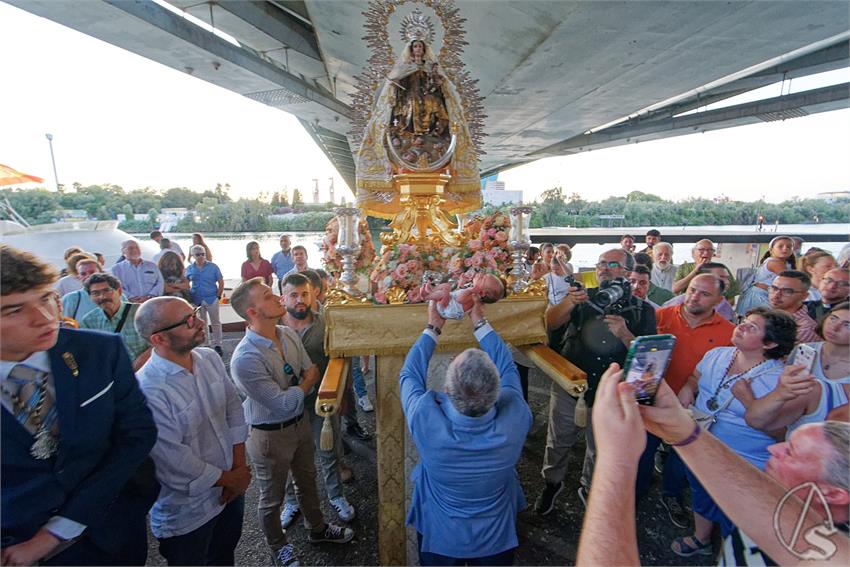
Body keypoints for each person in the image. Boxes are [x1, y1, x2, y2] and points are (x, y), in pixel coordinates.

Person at [576, 363, 849, 566]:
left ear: (833, 494)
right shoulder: (817, 526)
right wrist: (682, 431)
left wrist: (616, 459)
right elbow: (784, 518)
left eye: (791, 452)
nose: (773, 448)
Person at [0, 245, 157, 566]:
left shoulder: (99, 351)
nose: (44, 318)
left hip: (112, 531)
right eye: (14, 310)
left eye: (46, 298)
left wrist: (58, 530)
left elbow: (136, 435)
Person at [229, 278, 354, 566]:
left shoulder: (285, 334)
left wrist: (302, 383)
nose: (277, 298)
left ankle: (318, 528)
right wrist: (306, 383)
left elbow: (307, 371)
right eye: (267, 295)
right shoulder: (245, 358)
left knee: (307, 481)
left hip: (298, 424)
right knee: (271, 498)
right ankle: (278, 547)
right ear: (252, 312)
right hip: (270, 435)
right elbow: (286, 401)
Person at [402, 296, 532, 565]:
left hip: (440, 532)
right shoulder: (516, 417)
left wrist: (433, 327)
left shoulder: (425, 417)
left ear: (446, 391)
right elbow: (508, 366)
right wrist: (479, 321)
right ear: (497, 392)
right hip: (495, 535)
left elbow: (409, 375)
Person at [535, 248, 656, 515]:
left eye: (611, 264)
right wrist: (569, 302)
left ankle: (589, 488)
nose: (603, 268)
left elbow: (648, 360)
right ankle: (551, 483)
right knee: (558, 440)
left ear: (626, 272)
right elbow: (550, 323)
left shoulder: (643, 310)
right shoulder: (583, 298)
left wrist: (625, 334)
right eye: (600, 263)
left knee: (600, 447)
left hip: (610, 394)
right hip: (571, 386)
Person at [671, 307, 796, 557]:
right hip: (702, 446)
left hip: (746, 463)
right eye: (743, 321)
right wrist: (688, 387)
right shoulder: (718, 354)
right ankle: (702, 538)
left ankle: (731, 557)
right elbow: (696, 376)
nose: (740, 327)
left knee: (740, 518)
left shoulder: (781, 380)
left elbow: (783, 435)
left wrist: (750, 402)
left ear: (770, 343)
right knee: (701, 495)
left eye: (752, 327)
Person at [135, 297, 250, 566]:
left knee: (224, 556)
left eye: (195, 313)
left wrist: (240, 468)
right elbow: (174, 462)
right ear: (159, 339)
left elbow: (233, 409)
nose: (200, 322)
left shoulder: (207, 358)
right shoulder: (150, 390)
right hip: (188, 512)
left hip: (230, 490)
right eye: (188, 321)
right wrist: (230, 479)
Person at [638, 273, 735, 528]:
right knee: (642, 450)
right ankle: (634, 492)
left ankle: (672, 495)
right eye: (692, 289)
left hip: (692, 407)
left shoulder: (728, 332)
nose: (695, 296)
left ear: (719, 300)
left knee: (681, 456)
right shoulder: (660, 317)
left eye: (704, 293)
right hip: (651, 399)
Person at [277, 273, 356, 530]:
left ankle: (336, 495)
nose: (300, 301)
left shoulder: (326, 324)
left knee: (328, 450)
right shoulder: (275, 327)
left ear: (314, 295)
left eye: (305, 295)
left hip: (322, 399)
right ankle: (291, 501)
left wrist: (342, 394)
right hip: (287, 402)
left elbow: (341, 357)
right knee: (290, 455)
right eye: (294, 295)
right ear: (283, 297)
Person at [745, 302, 850, 434]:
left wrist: (747, 399)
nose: (834, 327)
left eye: (847, 325)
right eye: (833, 318)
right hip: (792, 430)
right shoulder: (805, 350)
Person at [79, 273, 152, 371]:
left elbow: (157, 345)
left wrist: (132, 371)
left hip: (147, 373)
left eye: (107, 291)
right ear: (90, 296)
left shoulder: (142, 312)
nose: (102, 297)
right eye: (95, 293)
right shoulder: (89, 321)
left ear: (119, 291)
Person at [736, 235, 795, 316]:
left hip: (761, 295)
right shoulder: (774, 263)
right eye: (780, 246)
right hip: (759, 297)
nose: (785, 248)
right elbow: (790, 281)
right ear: (771, 250)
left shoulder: (782, 263)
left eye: (789, 247)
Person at [663, 262, 737, 322]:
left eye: (727, 278)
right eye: (721, 277)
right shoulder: (675, 304)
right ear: (703, 277)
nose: (727, 282)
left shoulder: (724, 304)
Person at [185, 245, 224, 357]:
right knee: (202, 323)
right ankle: (205, 344)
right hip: (197, 298)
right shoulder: (190, 269)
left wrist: (218, 296)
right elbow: (185, 282)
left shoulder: (213, 267)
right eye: (198, 254)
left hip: (212, 297)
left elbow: (220, 281)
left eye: (203, 254)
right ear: (193, 256)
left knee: (215, 322)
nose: (201, 256)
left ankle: (218, 345)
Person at [672, 239, 740, 300]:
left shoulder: (721, 269)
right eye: (701, 250)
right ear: (693, 253)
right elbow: (675, 289)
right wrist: (695, 271)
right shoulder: (684, 267)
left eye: (710, 250)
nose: (706, 253)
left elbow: (731, 296)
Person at [420, 271, 505, 319]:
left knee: (445, 289)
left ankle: (426, 296)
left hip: (448, 309)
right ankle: (431, 292)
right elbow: (459, 291)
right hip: (450, 303)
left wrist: (469, 290)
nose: (480, 274)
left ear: (482, 293)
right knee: (445, 286)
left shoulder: (473, 297)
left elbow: (460, 299)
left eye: (482, 278)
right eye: (484, 274)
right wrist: (461, 283)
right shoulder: (472, 290)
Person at [767, 270, 820, 343]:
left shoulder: (805, 329)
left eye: (787, 291)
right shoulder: (767, 313)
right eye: (774, 288)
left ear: (804, 296)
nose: (776, 295)